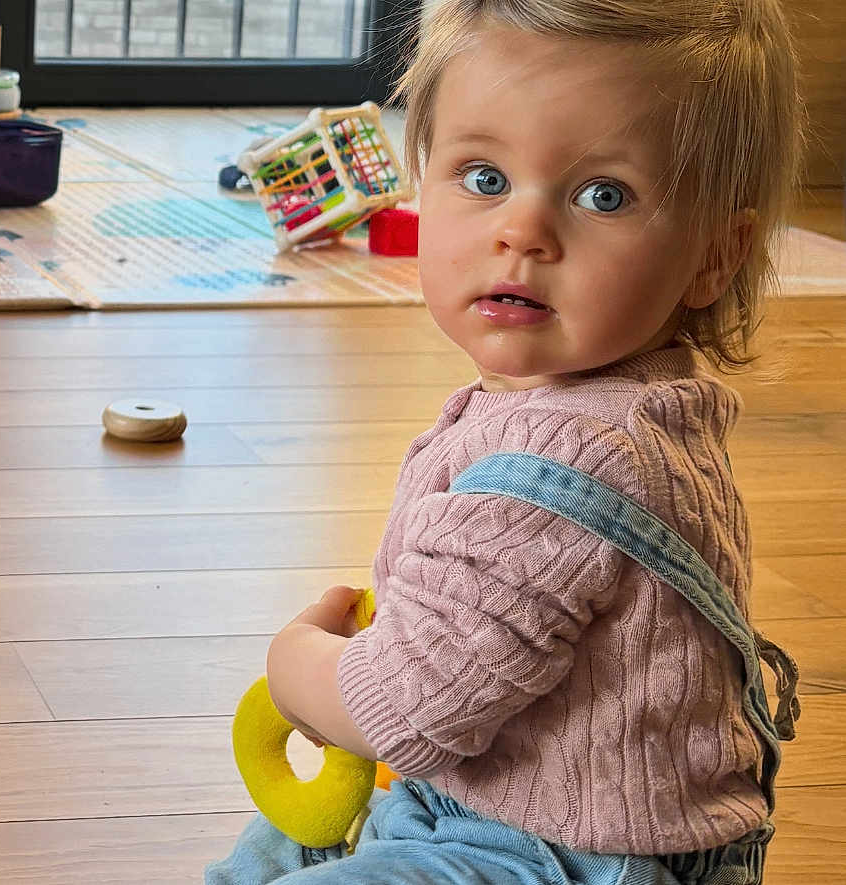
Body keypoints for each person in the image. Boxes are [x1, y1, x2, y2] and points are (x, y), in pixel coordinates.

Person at [206, 0, 806, 881]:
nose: (520, 232)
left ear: (714, 254)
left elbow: (403, 711)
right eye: (483, 177)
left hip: (570, 856)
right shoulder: (615, 405)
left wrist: (296, 663)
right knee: (260, 857)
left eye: (603, 194)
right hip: (478, 797)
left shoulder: (565, 459)